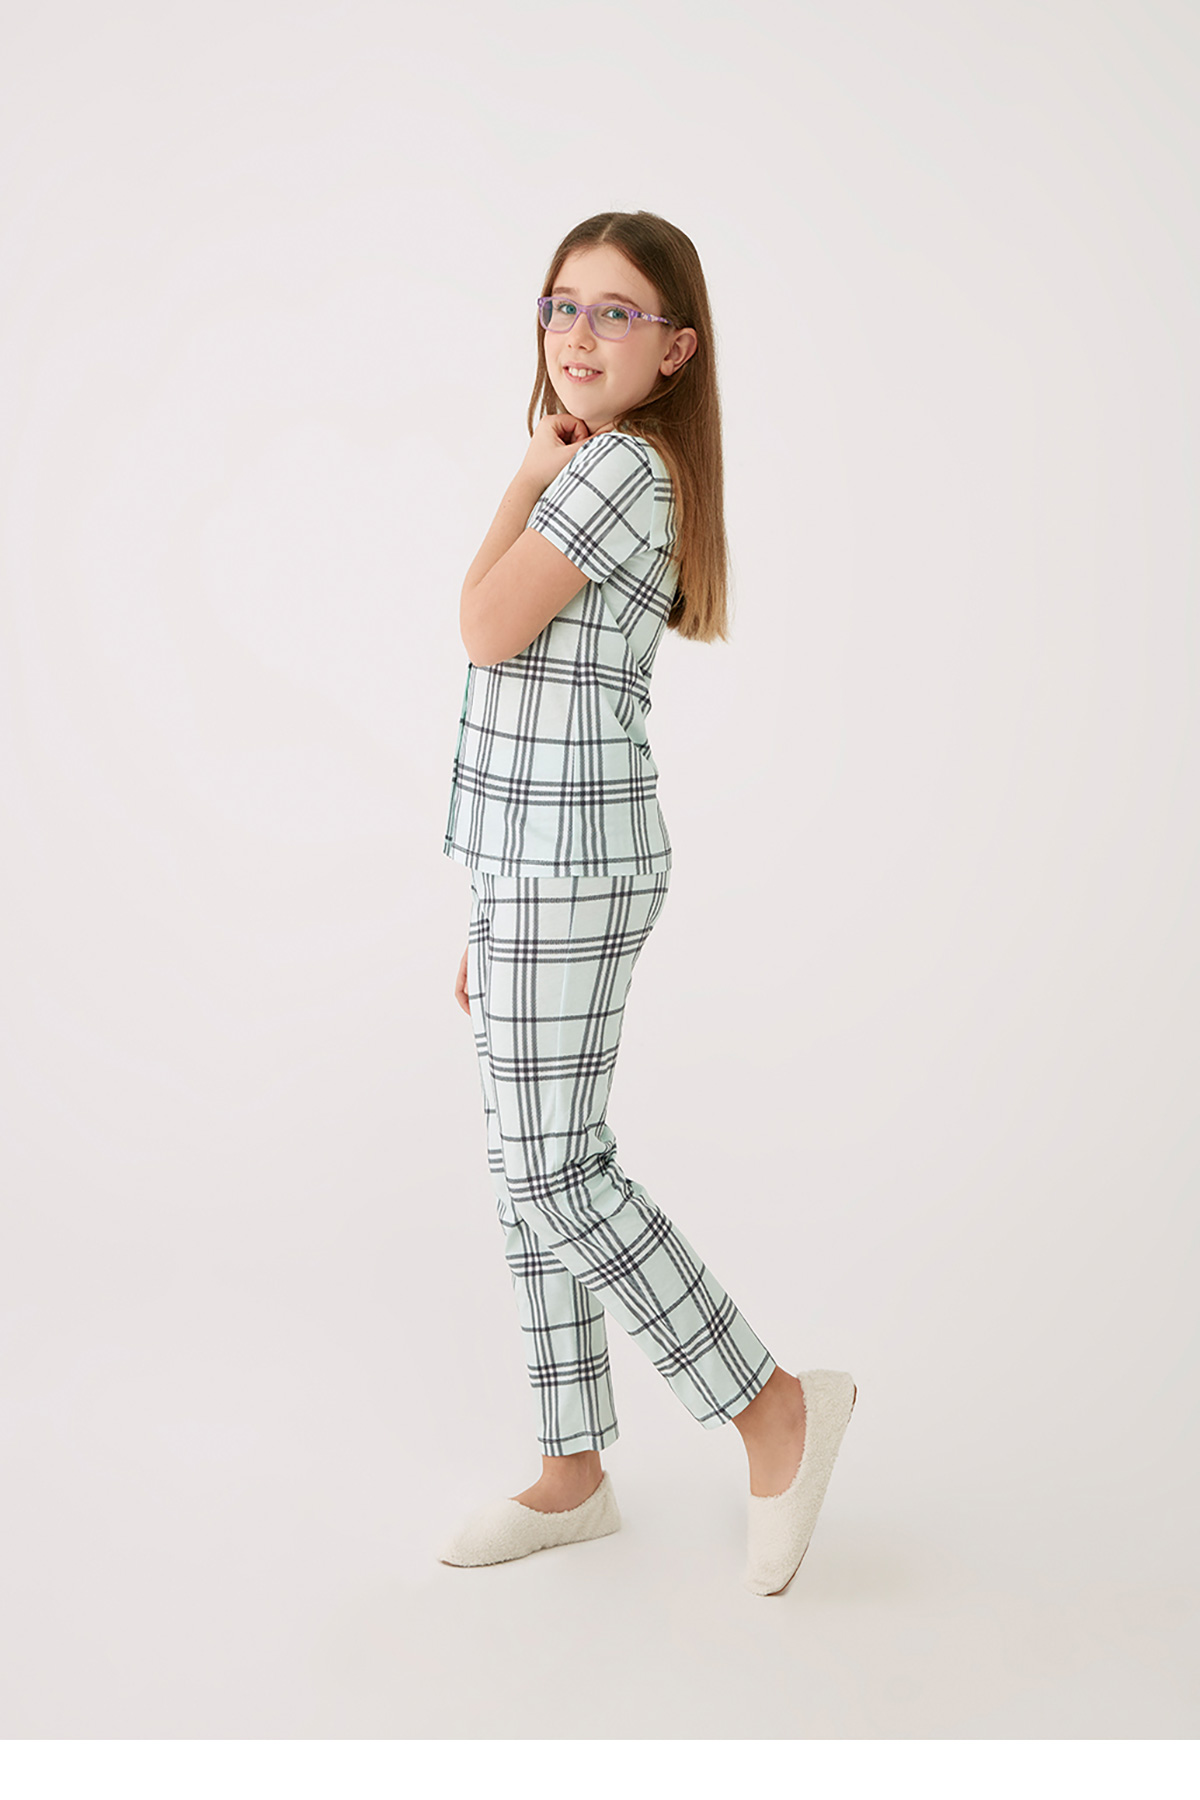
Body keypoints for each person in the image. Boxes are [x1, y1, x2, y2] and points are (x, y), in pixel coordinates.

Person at [439, 210, 855, 1596]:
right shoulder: (603, 465)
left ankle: (771, 1406)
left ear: (675, 350)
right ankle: (571, 1471)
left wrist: (525, 469)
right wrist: (485, 904)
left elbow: (483, 625)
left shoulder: (618, 469)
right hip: (527, 859)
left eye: (616, 313)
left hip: (574, 860)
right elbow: (515, 683)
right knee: (529, 1171)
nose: (579, 334)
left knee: (558, 1171)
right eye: (562, 305)